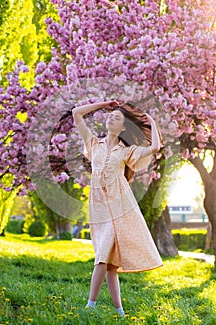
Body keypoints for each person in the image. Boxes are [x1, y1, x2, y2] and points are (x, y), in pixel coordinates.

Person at [72, 100, 163, 317]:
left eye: (117, 117)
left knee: (102, 257)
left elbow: (155, 148)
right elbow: (76, 113)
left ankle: (90, 306)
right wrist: (104, 104)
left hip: (120, 208)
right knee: (110, 265)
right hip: (99, 209)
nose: (111, 118)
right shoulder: (93, 144)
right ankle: (119, 311)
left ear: (123, 127)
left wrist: (151, 123)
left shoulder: (126, 151)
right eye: (110, 116)